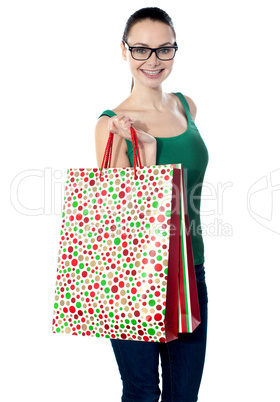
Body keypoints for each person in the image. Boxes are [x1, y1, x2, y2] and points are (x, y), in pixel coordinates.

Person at [95, 7, 209, 402]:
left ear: (175, 52)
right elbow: (120, 218)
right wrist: (138, 149)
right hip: (134, 275)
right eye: (141, 49)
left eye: (164, 49)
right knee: (142, 391)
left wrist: (154, 147)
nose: (153, 60)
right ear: (124, 52)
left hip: (189, 270)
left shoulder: (186, 106)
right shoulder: (113, 122)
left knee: (184, 394)